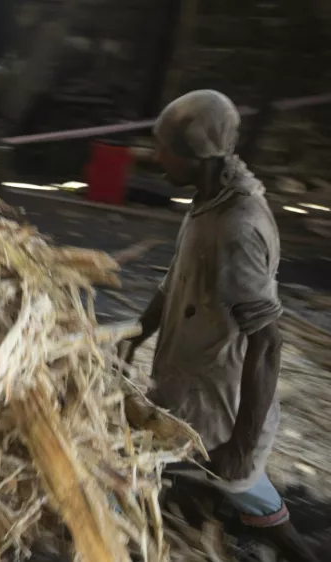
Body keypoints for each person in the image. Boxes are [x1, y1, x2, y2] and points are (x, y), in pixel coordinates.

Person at [123, 90, 317, 562]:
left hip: (222, 403)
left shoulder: (239, 226)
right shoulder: (208, 202)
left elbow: (267, 342)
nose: (156, 157)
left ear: (197, 153)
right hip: (190, 382)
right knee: (197, 477)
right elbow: (177, 279)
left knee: (243, 486)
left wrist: (242, 445)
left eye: (165, 148)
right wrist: (136, 335)